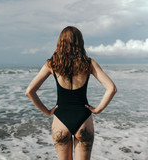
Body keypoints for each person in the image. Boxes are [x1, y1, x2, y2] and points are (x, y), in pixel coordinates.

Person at [25, 26, 117, 160]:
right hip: (83, 118)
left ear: (60, 42)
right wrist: (97, 109)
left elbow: (29, 91)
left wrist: (47, 111)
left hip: (60, 119)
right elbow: (112, 88)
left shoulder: (52, 64)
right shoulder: (88, 63)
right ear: (80, 42)